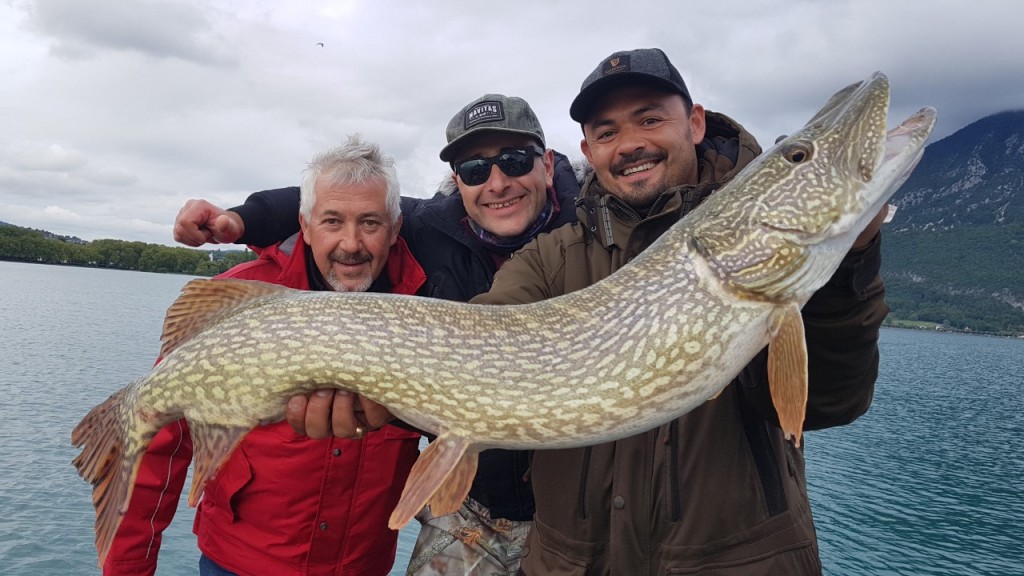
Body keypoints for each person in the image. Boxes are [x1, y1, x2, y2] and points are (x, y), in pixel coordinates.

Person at [282, 48, 888, 575]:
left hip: (736, 561)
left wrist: (851, 263)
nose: (630, 144)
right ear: (586, 151)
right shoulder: (550, 259)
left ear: (695, 122)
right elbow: (477, 342)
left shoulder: (762, 269)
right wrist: (380, 401)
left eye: (650, 119)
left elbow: (828, 404)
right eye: (606, 131)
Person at [171, 94, 581, 575]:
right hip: (473, 507)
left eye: (515, 161)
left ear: (548, 165)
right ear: (457, 183)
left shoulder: (596, 230)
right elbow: (340, 200)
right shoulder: (434, 227)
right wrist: (242, 218)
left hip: (577, 508)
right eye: (474, 169)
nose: (497, 182)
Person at [104, 135, 426, 576]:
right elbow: (160, 441)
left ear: (394, 228)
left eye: (370, 223)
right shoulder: (239, 298)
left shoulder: (425, 299)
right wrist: (127, 568)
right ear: (306, 224)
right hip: (240, 562)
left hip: (361, 565)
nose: (351, 243)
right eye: (332, 221)